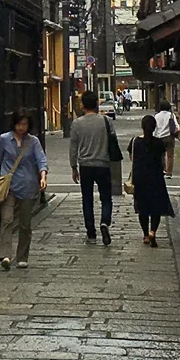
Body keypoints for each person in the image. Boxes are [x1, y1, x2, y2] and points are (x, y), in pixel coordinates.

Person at [0, 108, 47, 269]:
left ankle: (22, 256)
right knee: (7, 219)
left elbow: (41, 159)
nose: (21, 127)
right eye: (19, 124)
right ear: (14, 124)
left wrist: (43, 176)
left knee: (25, 224)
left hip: (27, 185)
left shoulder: (33, 142)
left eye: (24, 124)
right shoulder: (4, 139)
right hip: (8, 186)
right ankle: (5, 255)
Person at [67, 89, 115, 246]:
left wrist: (74, 167)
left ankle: (91, 234)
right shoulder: (106, 121)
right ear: (97, 104)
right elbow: (112, 142)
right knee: (106, 197)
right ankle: (105, 222)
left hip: (85, 165)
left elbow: (73, 148)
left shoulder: (76, 124)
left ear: (82, 105)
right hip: (103, 164)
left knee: (87, 200)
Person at [129, 113, 175, 246]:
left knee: (142, 207)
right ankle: (153, 231)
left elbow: (132, 158)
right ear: (154, 127)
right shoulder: (159, 143)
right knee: (156, 207)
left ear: (142, 127)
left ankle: (145, 235)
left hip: (140, 178)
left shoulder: (135, 141)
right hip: (156, 178)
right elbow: (162, 158)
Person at [152, 97, 180, 176]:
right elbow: (177, 126)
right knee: (170, 156)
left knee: (161, 155)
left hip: (159, 137)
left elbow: (155, 128)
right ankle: (169, 172)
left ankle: (162, 170)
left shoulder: (156, 116)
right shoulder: (171, 115)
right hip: (169, 137)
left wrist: (154, 136)